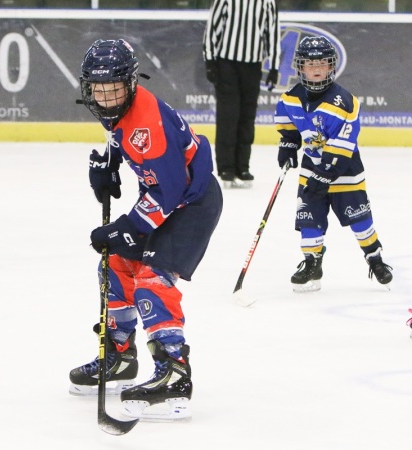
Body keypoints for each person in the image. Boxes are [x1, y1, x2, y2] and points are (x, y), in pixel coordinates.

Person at [69, 39, 223, 421]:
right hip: (170, 196)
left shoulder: (145, 123)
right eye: (98, 89)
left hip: (192, 204)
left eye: (113, 88)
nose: (105, 97)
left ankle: (174, 371)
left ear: (131, 82)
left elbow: (169, 192)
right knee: (116, 266)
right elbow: (124, 141)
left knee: (153, 280)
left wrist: (127, 227)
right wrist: (108, 166)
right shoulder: (121, 107)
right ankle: (120, 355)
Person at [275, 36, 393, 293]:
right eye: (309, 63)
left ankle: (375, 258)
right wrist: (288, 144)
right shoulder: (290, 98)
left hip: (345, 172)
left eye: (322, 63)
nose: (316, 68)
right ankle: (312, 263)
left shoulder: (345, 102)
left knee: (359, 220)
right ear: (300, 67)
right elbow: (289, 127)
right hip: (311, 169)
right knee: (309, 218)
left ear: (331, 67)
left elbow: (344, 144)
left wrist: (325, 174)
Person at [203, 0, 281, 189]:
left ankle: (242, 167)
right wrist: (210, 60)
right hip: (226, 64)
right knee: (228, 115)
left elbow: (272, 32)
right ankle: (226, 167)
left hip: (253, 65)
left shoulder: (267, 2)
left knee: (247, 116)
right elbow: (212, 27)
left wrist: (274, 66)